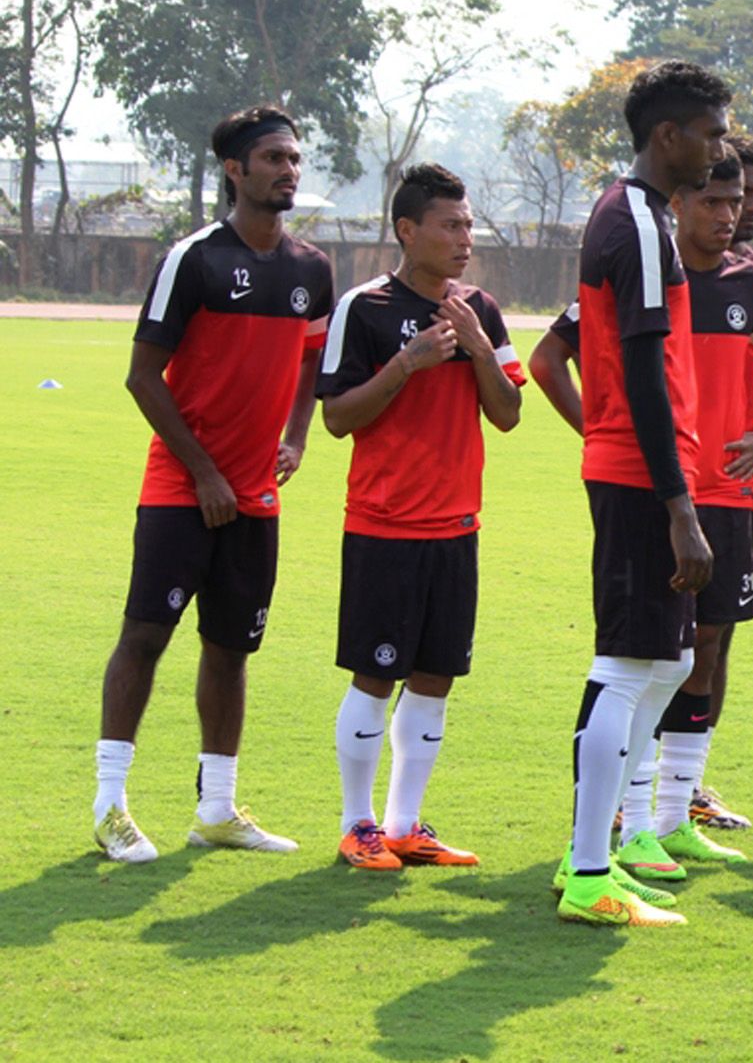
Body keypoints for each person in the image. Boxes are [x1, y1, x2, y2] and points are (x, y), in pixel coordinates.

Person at [92, 105, 333, 863]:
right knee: (145, 638)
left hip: (256, 496)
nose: (288, 171)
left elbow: (310, 362)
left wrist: (295, 436)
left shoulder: (311, 269)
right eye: (272, 159)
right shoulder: (193, 258)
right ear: (235, 170)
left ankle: (218, 809)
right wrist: (202, 474)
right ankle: (109, 805)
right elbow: (141, 376)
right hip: (181, 491)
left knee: (231, 649)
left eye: (294, 158)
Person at [551, 60, 730, 928]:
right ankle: (589, 873)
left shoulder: (639, 216)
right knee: (628, 665)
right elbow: (646, 380)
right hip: (639, 476)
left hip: (640, 468)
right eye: (710, 131)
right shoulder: (638, 224)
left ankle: (606, 850)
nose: (718, 147)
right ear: (669, 137)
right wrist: (679, 506)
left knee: (666, 661)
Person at [316, 163, 524, 871]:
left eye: (469, 225)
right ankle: (357, 824)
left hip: (457, 526)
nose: (466, 238)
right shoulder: (366, 308)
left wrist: (473, 346)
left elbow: (508, 414)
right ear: (408, 231)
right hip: (384, 526)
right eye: (451, 225)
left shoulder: (482, 311)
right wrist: (406, 363)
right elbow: (338, 418)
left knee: (435, 678)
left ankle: (405, 824)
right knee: (376, 677)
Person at [617, 145, 753, 867]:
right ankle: (629, 819)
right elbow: (549, 359)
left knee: (707, 648)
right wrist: (611, 438)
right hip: (664, 494)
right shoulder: (652, 278)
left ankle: (675, 808)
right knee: (650, 656)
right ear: (680, 202)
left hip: (733, 499)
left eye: (740, 202)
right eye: (716, 201)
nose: (733, 214)